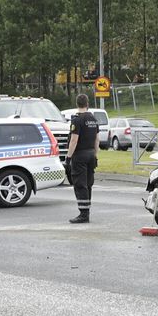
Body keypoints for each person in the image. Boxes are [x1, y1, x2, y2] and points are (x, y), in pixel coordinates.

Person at [65, 94, 100, 223]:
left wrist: (68, 158)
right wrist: (95, 155)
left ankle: (83, 214)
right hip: (91, 154)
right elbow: (97, 139)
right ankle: (87, 211)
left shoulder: (77, 120)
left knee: (80, 184)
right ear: (87, 103)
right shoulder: (93, 119)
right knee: (88, 184)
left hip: (80, 155)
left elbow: (74, 140)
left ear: (77, 104)